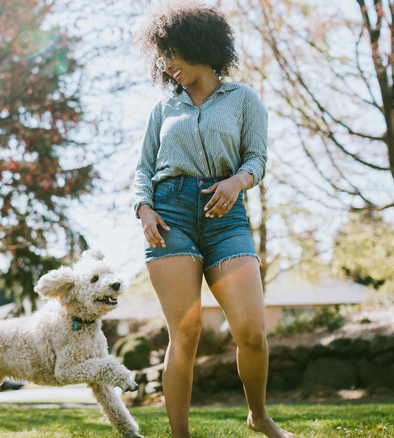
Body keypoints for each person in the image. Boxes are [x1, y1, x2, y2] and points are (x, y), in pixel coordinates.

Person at [132, 2, 294, 438]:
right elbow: (143, 168)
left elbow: (257, 158)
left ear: (198, 45)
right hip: (170, 215)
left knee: (252, 332)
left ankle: (259, 416)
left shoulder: (243, 100)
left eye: (172, 53)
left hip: (226, 217)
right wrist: (144, 208)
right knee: (185, 332)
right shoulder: (163, 108)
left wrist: (237, 182)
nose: (167, 65)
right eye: (161, 57)